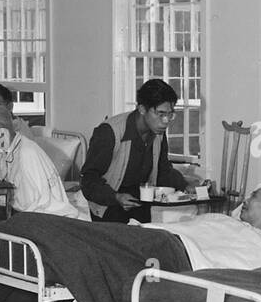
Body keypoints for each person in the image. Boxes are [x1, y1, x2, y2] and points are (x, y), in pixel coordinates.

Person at [80, 79, 189, 223]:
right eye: (161, 114)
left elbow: (163, 171)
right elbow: (88, 179)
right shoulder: (109, 132)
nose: (166, 121)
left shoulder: (158, 133)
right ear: (142, 109)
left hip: (140, 204)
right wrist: (116, 197)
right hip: (109, 207)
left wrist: (187, 186)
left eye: (170, 115)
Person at [0, 105, 88, 221]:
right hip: (31, 214)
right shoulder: (8, 149)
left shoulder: (25, 154)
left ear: (0, 128)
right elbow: (0, 173)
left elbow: (26, 206)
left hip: (46, 219)